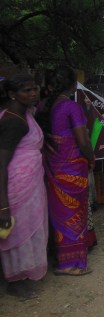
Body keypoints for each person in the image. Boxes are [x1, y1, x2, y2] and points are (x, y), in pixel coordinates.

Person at [38, 66, 95, 276]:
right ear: (72, 85)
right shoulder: (71, 107)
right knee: (75, 213)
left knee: (60, 213)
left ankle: (61, 258)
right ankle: (71, 264)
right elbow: (82, 140)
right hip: (73, 170)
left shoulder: (43, 106)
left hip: (53, 169)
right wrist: (91, 157)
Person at [0, 74, 48, 298]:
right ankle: (15, 280)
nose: (33, 93)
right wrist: (3, 205)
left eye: (34, 89)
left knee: (29, 229)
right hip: (17, 185)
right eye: (26, 90)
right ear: (12, 94)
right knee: (18, 231)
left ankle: (25, 273)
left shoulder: (24, 114)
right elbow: (1, 164)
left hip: (30, 181)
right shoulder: (13, 121)